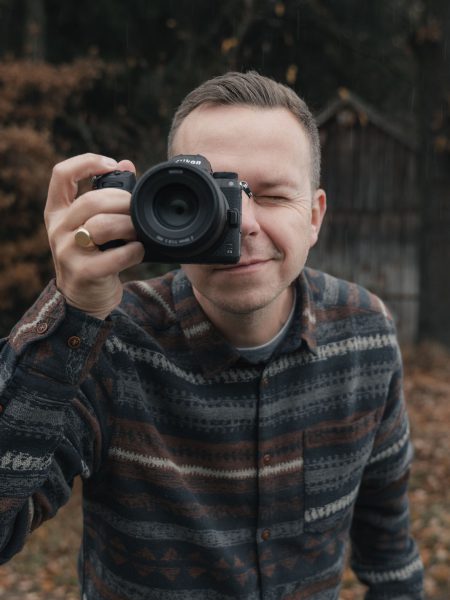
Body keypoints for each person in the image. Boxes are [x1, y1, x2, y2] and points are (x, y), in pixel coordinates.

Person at [0, 71, 424, 599]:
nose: (242, 221)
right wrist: (70, 314)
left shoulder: (366, 333)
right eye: (210, 195)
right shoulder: (107, 340)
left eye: (270, 195)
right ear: (157, 206)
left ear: (314, 218)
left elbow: (387, 539)